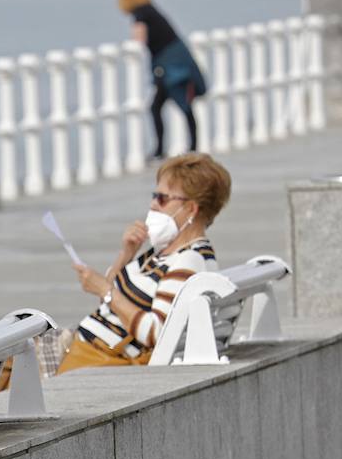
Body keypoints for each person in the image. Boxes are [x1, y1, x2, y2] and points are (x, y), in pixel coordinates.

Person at [57, 153, 230, 374]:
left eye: (162, 198)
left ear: (191, 209)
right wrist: (127, 253)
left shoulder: (188, 261)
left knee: (9, 361)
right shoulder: (166, 252)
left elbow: (156, 331)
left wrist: (106, 290)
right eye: (154, 195)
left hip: (97, 358)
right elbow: (108, 300)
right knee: (12, 348)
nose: (153, 204)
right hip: (83, 347)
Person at [119, 0, 205, 160]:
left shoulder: (141, 13)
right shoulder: (151, 10)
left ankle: (164, 150)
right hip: (175, 63)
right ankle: (190, 147)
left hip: (168, 67)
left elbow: (139, 38)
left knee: (164, 106)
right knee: (178, 105)